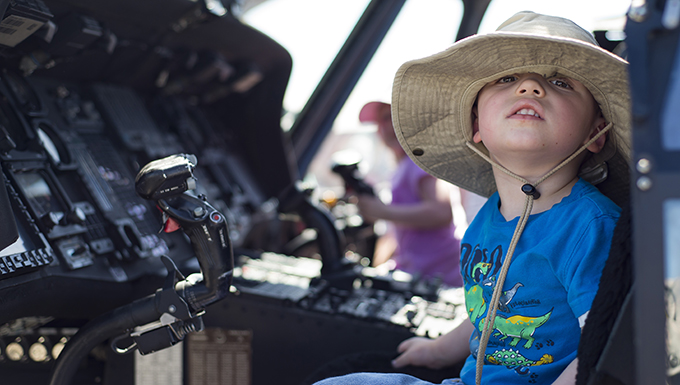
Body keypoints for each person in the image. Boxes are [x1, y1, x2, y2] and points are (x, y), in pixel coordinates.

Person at [314, 11, 630, 385]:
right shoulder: (487, 220)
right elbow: (489, 307)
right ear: (477, 126)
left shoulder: (590, 227)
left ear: (596, 133)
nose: (530, 86)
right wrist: (438, 351)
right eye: (507, 78)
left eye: (560, 82)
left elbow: (605, 346)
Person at [356, 100, 463, 287]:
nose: (386, 127)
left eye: (391, 118)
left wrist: (382, 212)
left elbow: (441, 212)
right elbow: (400, 233)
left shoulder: (419, 161)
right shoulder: (401, 167)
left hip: (443, 275)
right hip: (419, 272)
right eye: (381, 121)